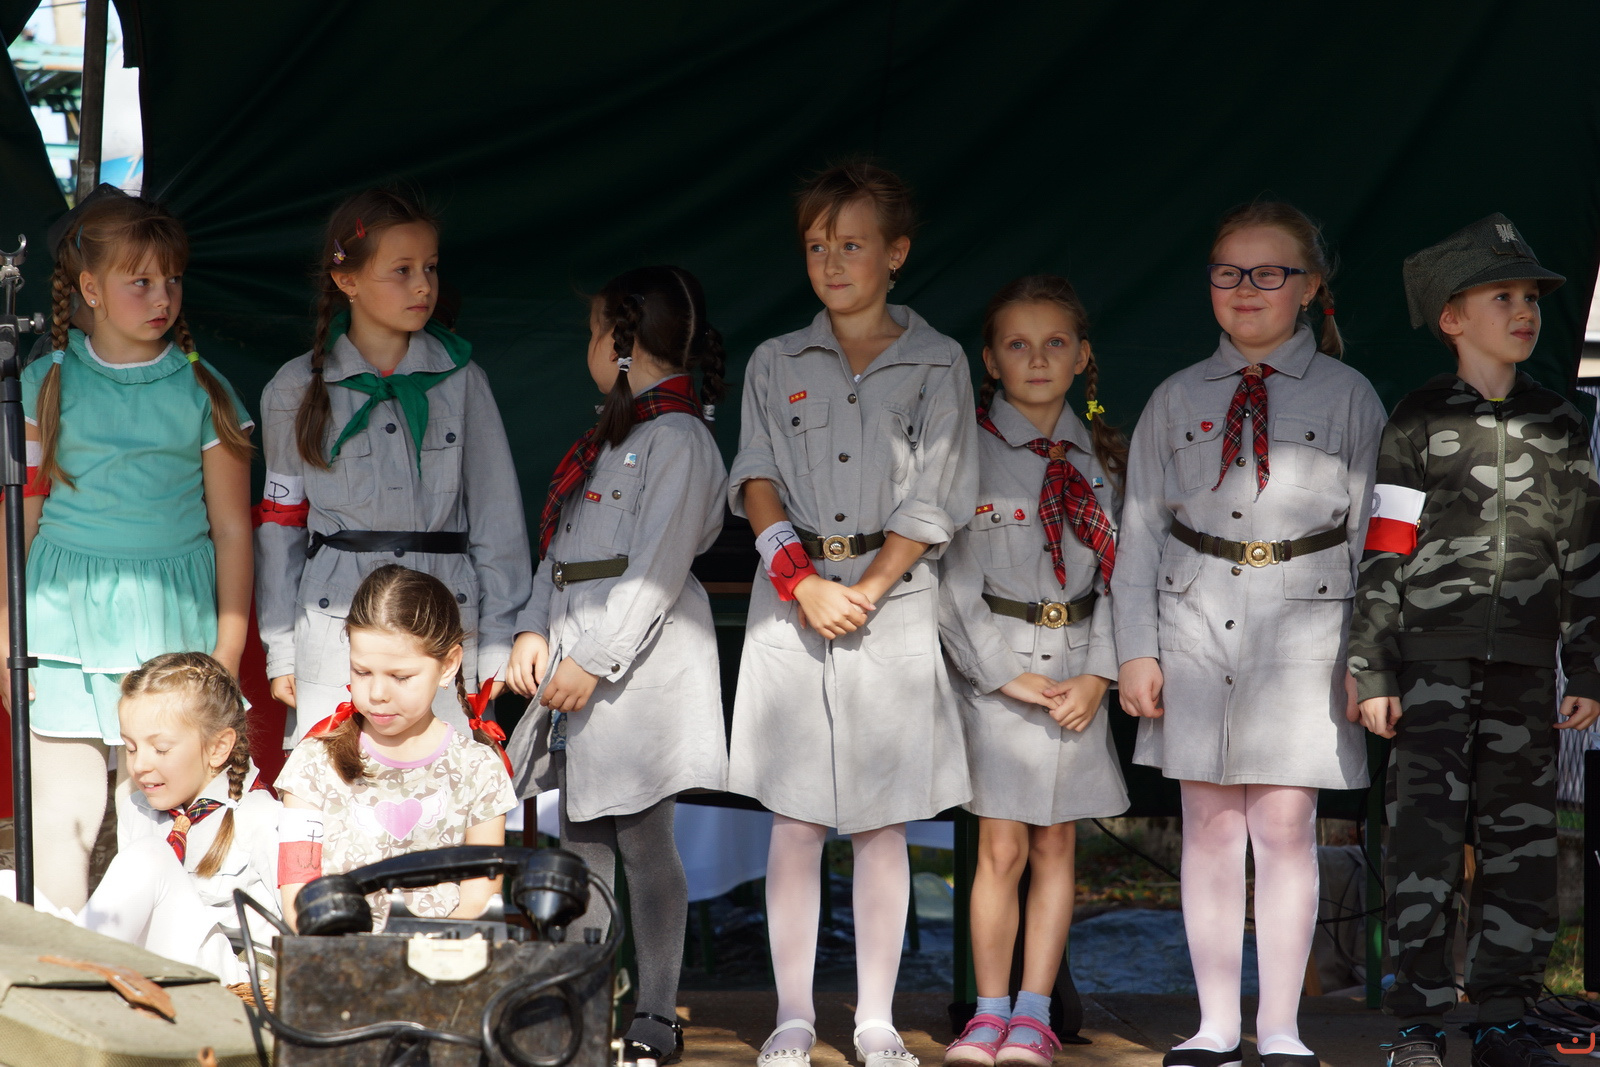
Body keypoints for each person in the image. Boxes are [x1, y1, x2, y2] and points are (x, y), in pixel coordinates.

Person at [1113, 202, 1385, 1067]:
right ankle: (1215, 1024)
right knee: (1208, 828)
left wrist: (1371, 656)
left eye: (1269, 273)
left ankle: (1281, 1027)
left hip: (1306, 628)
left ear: (1308, 288)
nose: (1246, 288)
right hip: (1193, 621)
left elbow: (1377, 539)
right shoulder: (1176, 396)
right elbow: (1138, 531)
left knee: (1284, 824)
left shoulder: (1349, 396)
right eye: (1228, 272)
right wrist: (1136, 647)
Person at [727, 162, 976, 1067]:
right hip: (793, 598)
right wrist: (801, 581)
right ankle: (793, 1014)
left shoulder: (940, 361)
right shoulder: (775, 360)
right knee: (795, 821)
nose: (832, 263)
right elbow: (755, 474)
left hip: (893, 600)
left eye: (852, 244)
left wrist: (869, 586)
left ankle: (875, 1017)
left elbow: (940, 490)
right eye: (816, 246)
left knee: (881, 821)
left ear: (896, 253)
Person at [1349, 214, 1600, 1067]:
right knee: (1422, 842)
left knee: (1520, 844)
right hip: (1429, 668)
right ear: (1451, 317)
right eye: (1503, 296)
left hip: (1527, 669)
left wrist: (1587, 663)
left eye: (1532, 297)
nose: (1524, 311)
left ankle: (1503, 1015)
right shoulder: (1417, 419)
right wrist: (1372, 664)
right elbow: (1386, 549)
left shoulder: (1560, 422)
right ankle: (1419, 1022)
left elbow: (1585, 550)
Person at [0, 189, 254, 912]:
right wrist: (5, 630)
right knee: (61, 818)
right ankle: (61, 965)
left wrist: (227, 652)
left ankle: (160, 970)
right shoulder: (43, 382)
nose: (161, 296)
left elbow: (233, 529)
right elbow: (18, 517)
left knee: (157, 824)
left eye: (171, 279)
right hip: (60, 625)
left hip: (172, 627)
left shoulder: (205, 390)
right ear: (90, 289)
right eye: (139, 281)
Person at [504, 265, 729, 1066]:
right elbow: (562, 548)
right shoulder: (610, 435)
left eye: (595, 333)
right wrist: (533, 628)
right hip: (579, 650)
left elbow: (657, 567)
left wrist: (595, 660)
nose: (590, 348)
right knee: (584, 834)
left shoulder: (680, 439)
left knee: (642, 836)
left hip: (637, 663)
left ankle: (657, 1011)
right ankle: (586, 1000)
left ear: (622, 344)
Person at [255, 187, 530, 745]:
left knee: (443, 779)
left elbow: (498, 518)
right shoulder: (294, 388)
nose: (423, 285)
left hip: (445, 625)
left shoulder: (462, 380)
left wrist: (499, 637)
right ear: (347, 280)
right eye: (401, 270)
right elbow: (280, 524)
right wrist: (280, 645)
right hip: (333, 628)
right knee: (340, 783)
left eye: (430, 267)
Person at [939, 276, 1129, 1067]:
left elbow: (1128, 577)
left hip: (1078, 673)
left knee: (1056, 846)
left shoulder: (1107, 458)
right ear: (990, 360)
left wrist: (1102, 675)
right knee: (1000, 849)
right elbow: (949, 577)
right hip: (1000, 678)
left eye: (1055, 343)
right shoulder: (966, 455)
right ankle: (987, 1014)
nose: (1038, 358)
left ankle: (1035, 1014)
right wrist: (999, 672)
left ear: (1083, 356)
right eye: (1017, 344)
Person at [1, 652, 281, 984]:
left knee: (150, 855)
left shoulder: (263, 816)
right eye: (130, 748)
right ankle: (71, 963)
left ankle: (73, 972)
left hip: (236, 977)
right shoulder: (138, 809)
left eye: (161, 749)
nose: (139, 766)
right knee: (6, 885)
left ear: (219, 748)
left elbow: (301, 932)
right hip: (152, 964)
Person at [275, 564, 518, 932]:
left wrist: (425, 952)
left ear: (449, 665)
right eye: (362, 672)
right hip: (337, 956)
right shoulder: (313, 762)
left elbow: (480, 896)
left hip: (443, 958)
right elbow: (297, 892)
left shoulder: (480, 768)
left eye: (400, 677)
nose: (377, 694)